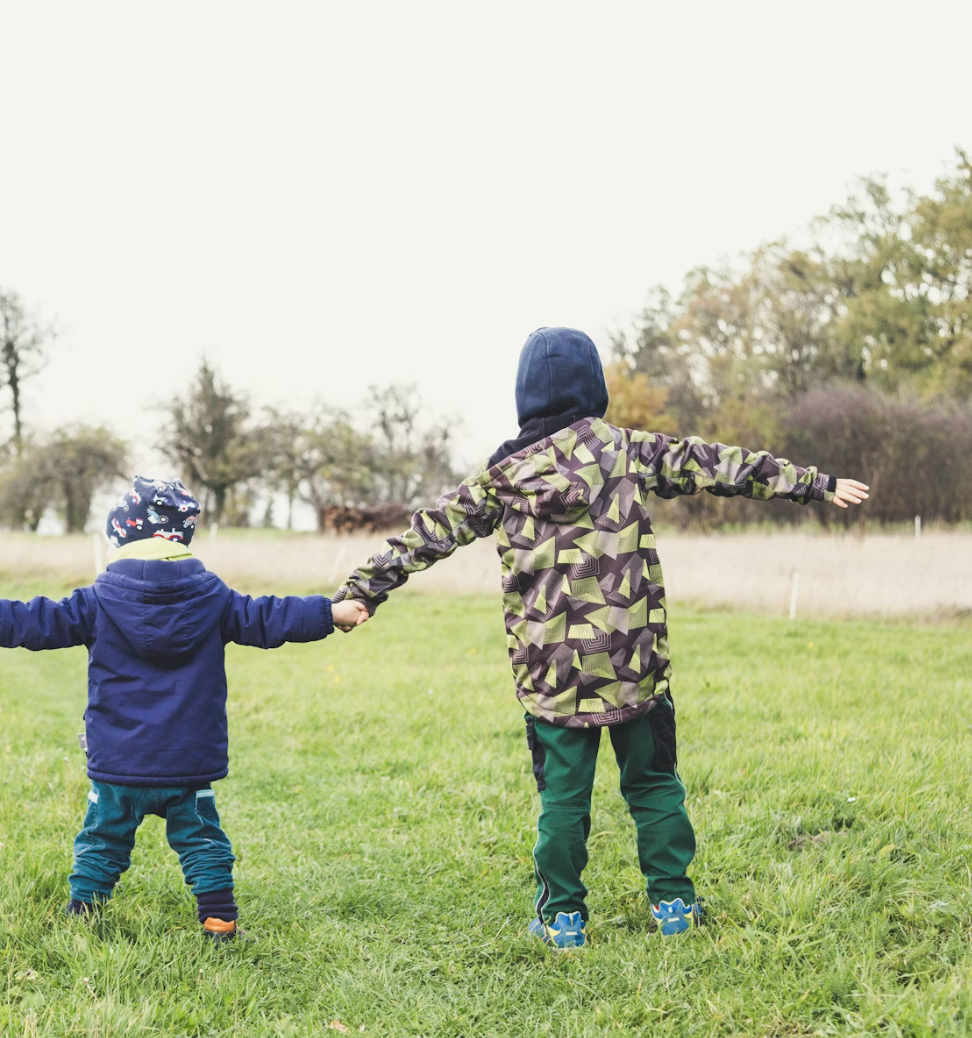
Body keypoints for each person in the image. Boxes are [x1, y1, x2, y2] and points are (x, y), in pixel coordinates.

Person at [331, 327, 870, 949]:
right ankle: (673, 905)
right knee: (653, 785)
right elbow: (717, 464)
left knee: (562, 800)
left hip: (552, 675)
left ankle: (562, 918)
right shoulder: (626, 451)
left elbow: (426, 533)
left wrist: (363, 590)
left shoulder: (501, 478)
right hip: (633, 661)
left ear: (525, 397)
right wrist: (815, 484)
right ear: (596, 388)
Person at [0, 477, 365, 941]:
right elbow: (271, 616)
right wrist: (330, 612)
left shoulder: (98, 599)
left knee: (102, 839)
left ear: (122, 536)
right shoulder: (215, 598)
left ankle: (82, 913)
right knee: (203, 841)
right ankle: (220, 921)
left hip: (119, 762)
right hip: (188, 761)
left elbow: (35, 620)